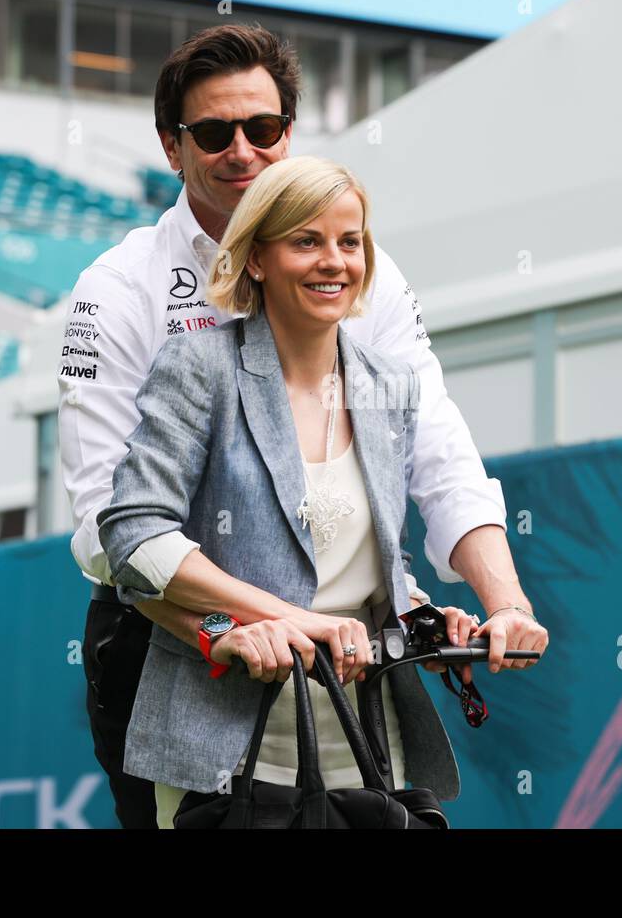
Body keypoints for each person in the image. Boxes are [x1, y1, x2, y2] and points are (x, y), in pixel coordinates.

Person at [59, 24, 547, 829]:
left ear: (291, 134)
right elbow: (108, 529)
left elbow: (435, 449)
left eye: (265, 129)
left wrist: (501, 601)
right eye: (214, 133)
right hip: (167, 639)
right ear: (171, 148)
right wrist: (229, 626)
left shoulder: (362, 272)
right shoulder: (117, 289)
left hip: (347, 666)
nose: (243, 151)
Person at [98, 155, 494, 826]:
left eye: (349, 242)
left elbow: (368, 557)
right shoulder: (199, 367)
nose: (333, 261)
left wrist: (422, 614)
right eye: (306, 241)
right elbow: (134, 538)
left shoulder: (389, 383)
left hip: (369, 738)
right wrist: (270, 621)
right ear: (254, 258)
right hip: (227, 752)